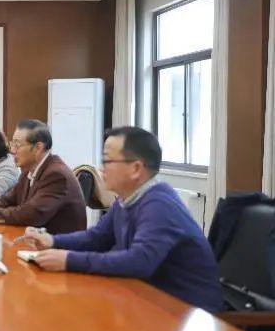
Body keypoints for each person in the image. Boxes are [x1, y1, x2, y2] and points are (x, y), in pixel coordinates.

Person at [19, 126, 223, 313]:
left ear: (136, 169)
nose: (101, 168)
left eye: (108, 161)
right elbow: (97, 238)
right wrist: (53, 241)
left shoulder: (159, 204)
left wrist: (68, 260)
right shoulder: (127, 199)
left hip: (187, 311)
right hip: (148, 299)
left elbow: (139, 262)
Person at [0, 119, 86, 234]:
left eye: (17, 145)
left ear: (38, 148)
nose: (12, 151)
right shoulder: (29, 170)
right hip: (32, 238)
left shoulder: (57, 175)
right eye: (12, 144)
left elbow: (32, 214)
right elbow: (9, 199)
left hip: (55, 243)